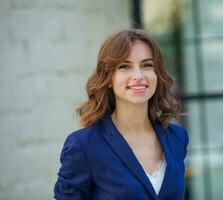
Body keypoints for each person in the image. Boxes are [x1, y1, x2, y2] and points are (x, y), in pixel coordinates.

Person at [54, 29, 189, 200]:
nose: (138, 76)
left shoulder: (177, 137)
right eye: (125, 66)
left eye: (147, 65)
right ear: (109, 78)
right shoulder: (83, 146)